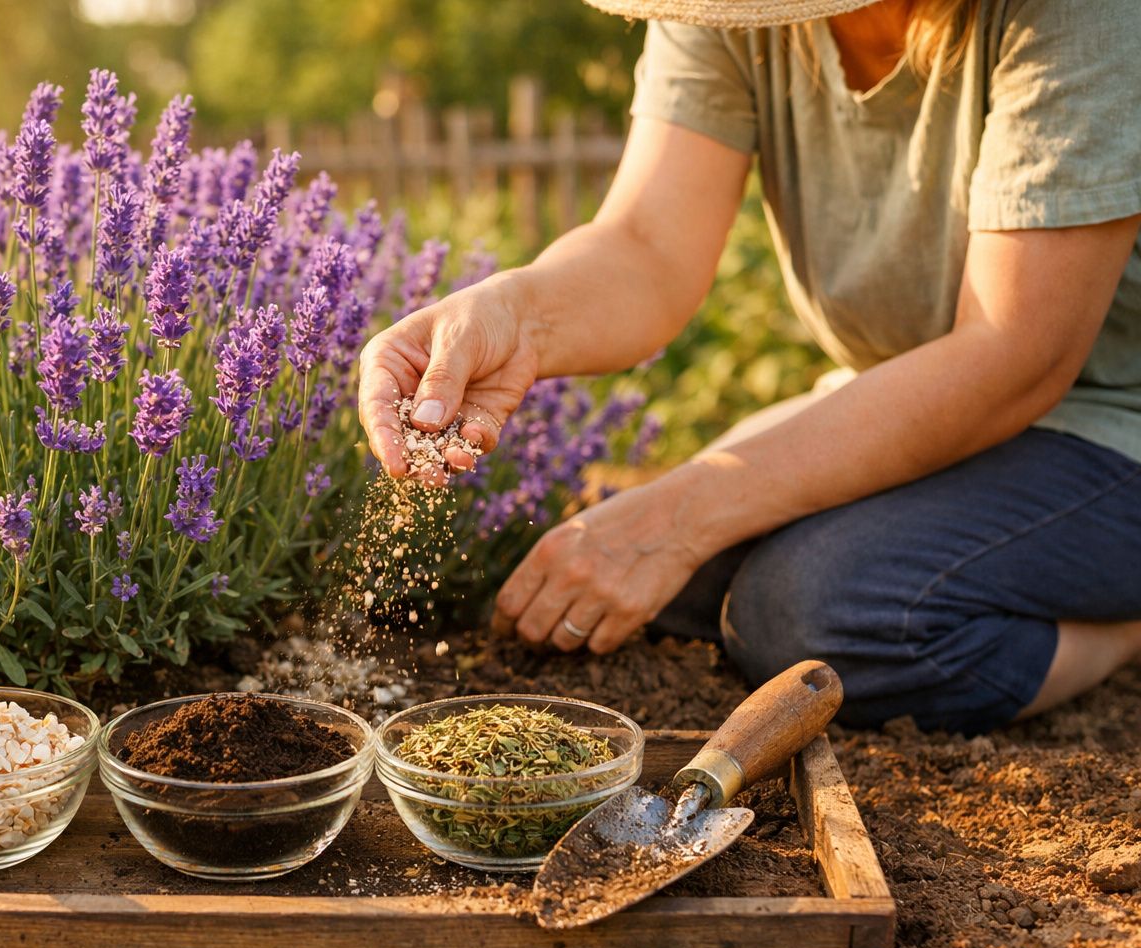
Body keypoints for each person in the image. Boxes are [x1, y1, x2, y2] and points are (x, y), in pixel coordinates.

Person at [356, 0, 1141, 735]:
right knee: (686, 593)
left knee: (810, 614)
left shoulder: (1083, 18)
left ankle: (1124, 628)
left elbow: (1014, 353)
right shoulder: (728, 19)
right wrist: (512, 316)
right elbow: (647, 247)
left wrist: (675, 518)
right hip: (922, 394)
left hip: (1110, 416)